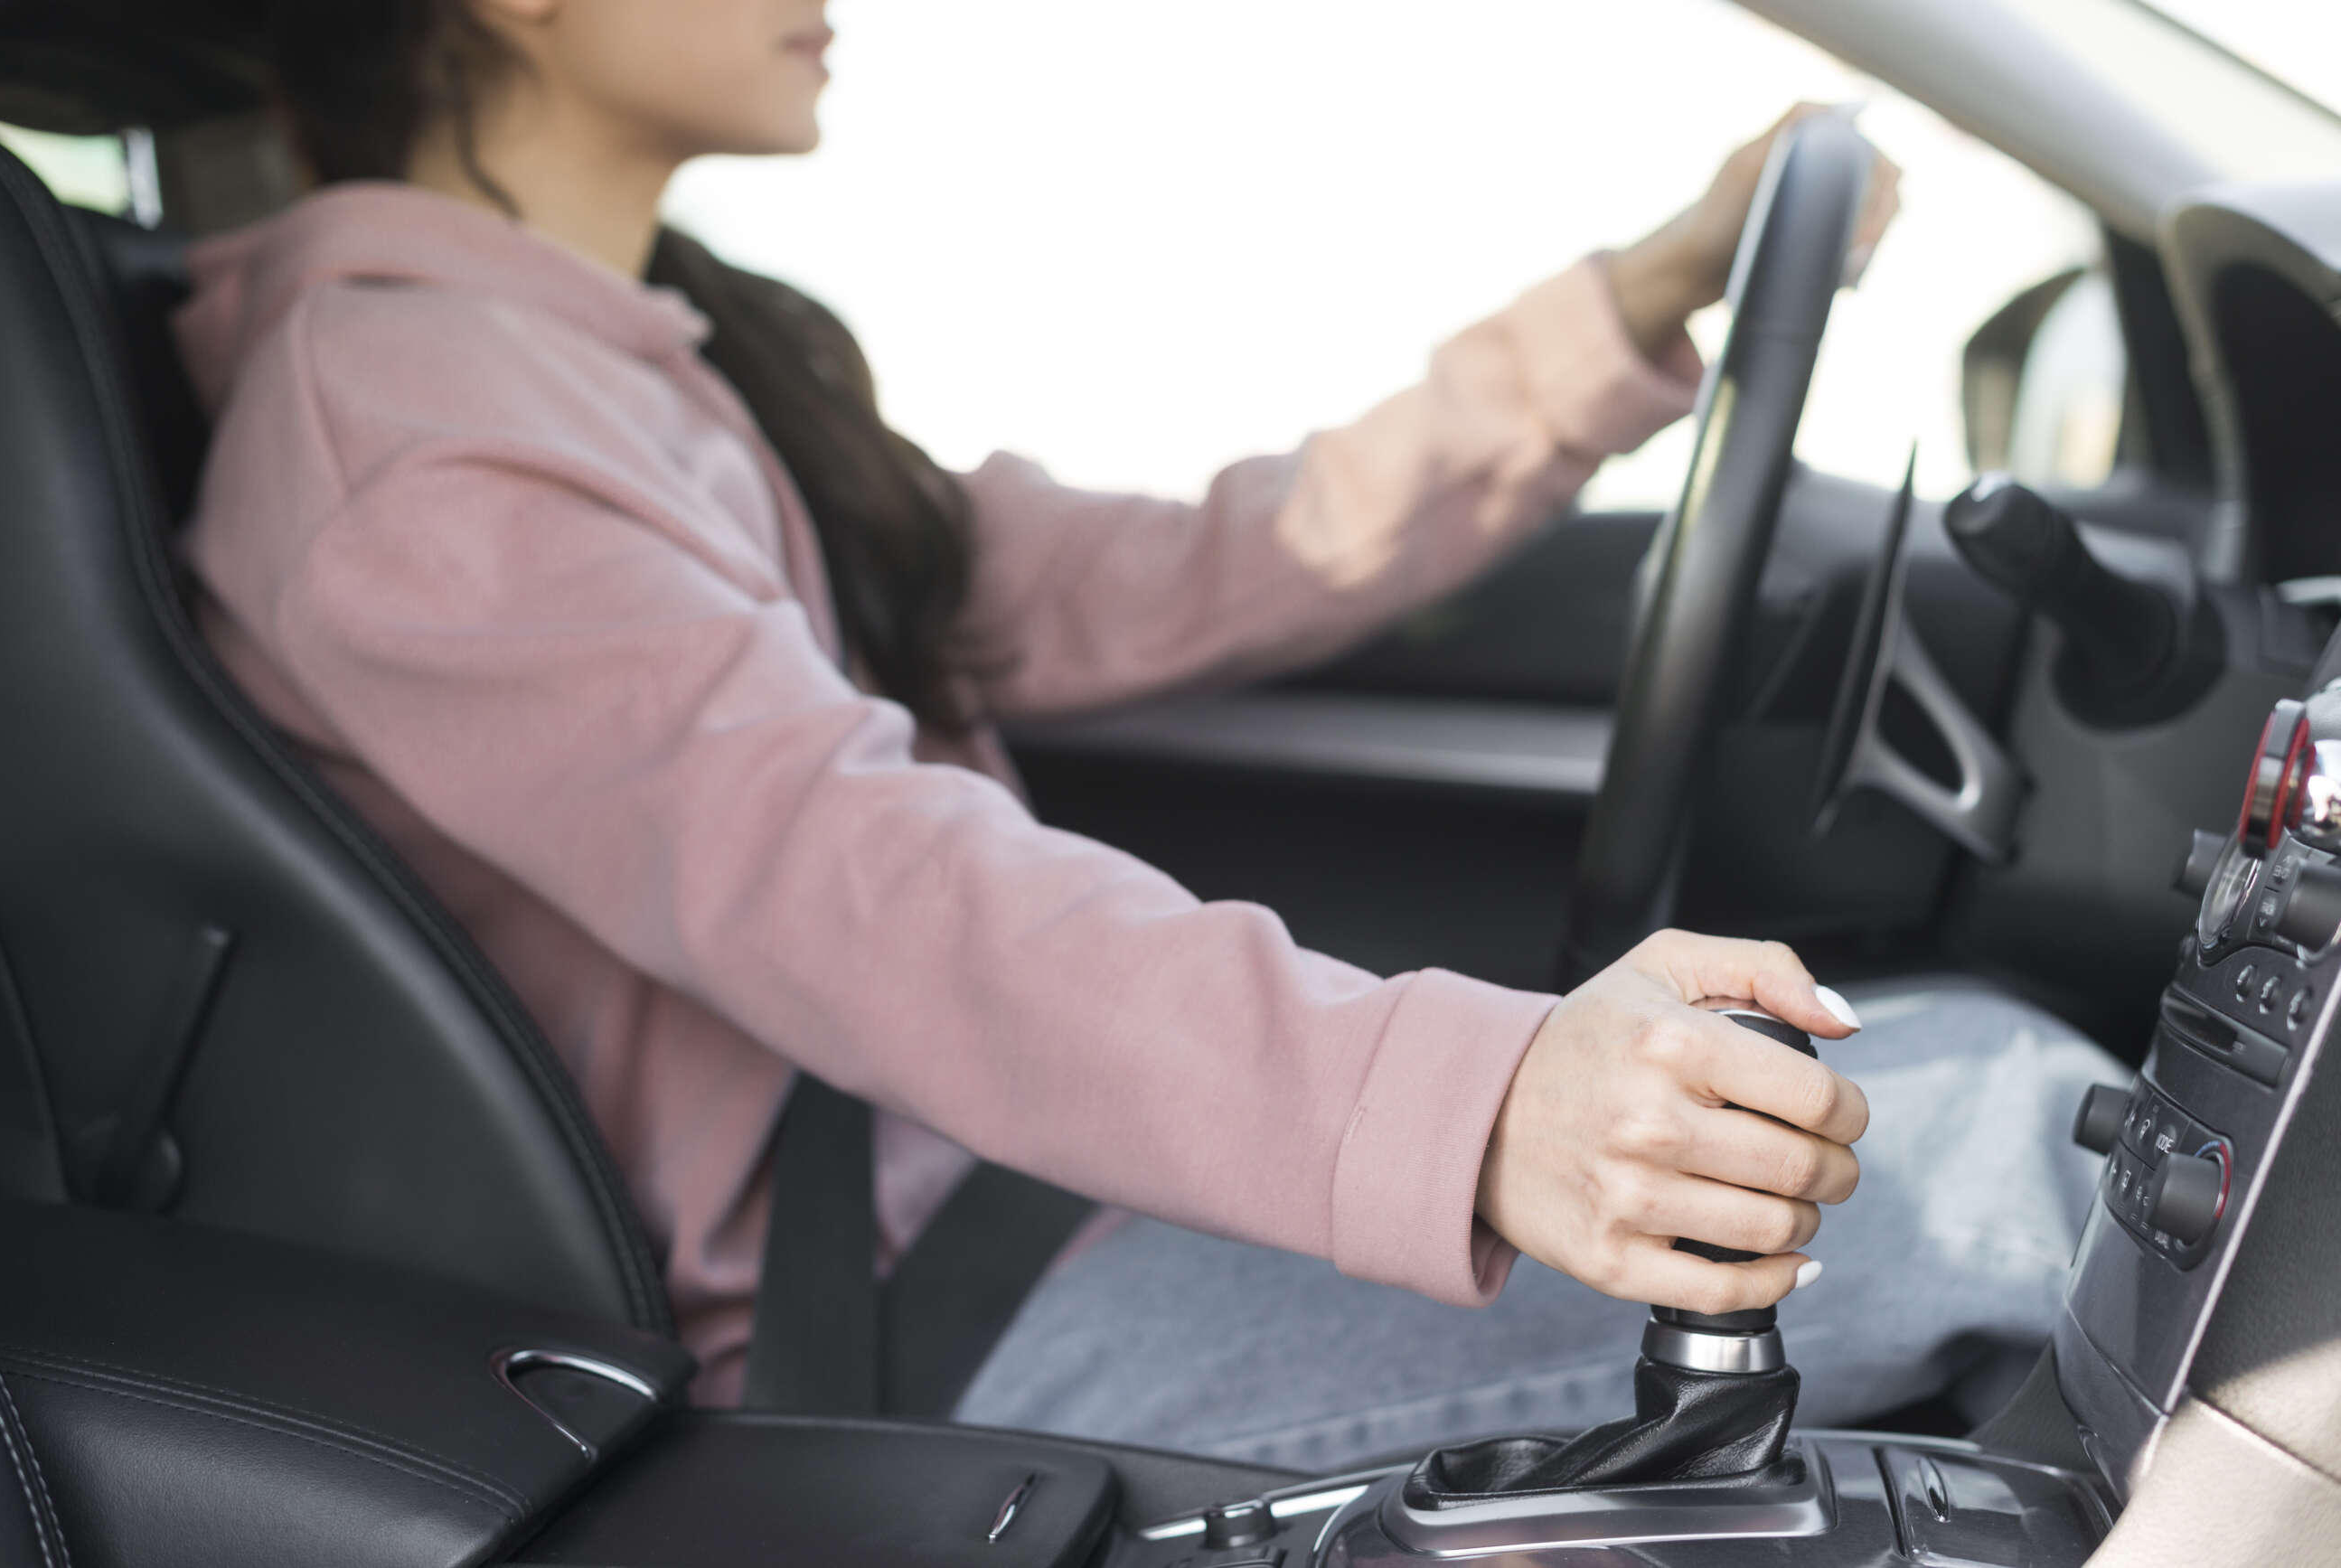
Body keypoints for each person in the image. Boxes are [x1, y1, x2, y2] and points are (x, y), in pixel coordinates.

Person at [176, 0, 2121, 1467]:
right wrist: (1477, 1105)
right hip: (901, 1341)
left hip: (1027, 1213)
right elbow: (862, 885)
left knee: (2035, 1113)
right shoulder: (413, 431)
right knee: (2018, 1162)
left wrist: (1636, 297)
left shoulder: (638, 359)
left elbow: (1193, 563)